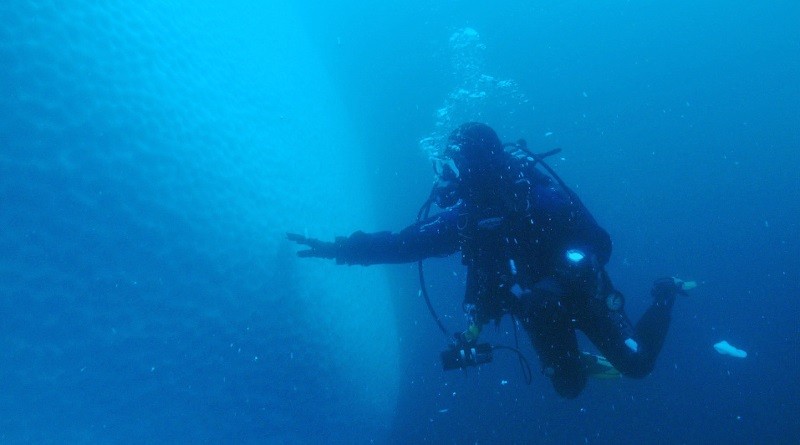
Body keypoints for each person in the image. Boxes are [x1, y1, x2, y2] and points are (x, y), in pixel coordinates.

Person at [287, 122, 693, 398]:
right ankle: (575, 361)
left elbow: (599, 246)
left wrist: (555, 283)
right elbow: (405, 244)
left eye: (454, 167)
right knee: (569, 388)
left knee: (637, 366)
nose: (447, 179)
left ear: (479, 165)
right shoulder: (465, 218)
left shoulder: (542, 198)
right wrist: (341, 250)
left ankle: (665, 294)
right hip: (537, 312)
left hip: (584, 294)